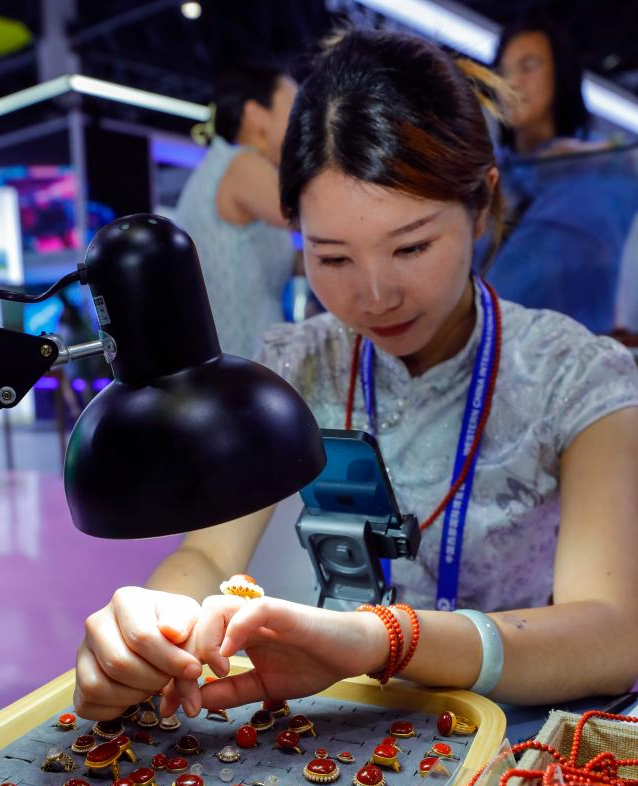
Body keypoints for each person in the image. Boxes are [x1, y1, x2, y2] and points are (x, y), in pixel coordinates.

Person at [73, 29, 638, 723]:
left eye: (412, 246)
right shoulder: (296, 363)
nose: (375, 296)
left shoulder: (575, 374)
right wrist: (152, 625)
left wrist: (386, 639)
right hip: (341, 740)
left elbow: (613, 632)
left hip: (512, 744)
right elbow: (209, 557)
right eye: (333, 257)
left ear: (482, 204)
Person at [481, 14, 638, 333]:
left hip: (569, 347)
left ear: (561, 73)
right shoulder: (485, 173)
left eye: (528, 66)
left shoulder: (605, 169)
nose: (512, 82)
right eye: (503, 71)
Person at [173, 64, 298, 359]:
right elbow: (317, 216)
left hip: (231, 359)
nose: (303, 122)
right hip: (243, 360)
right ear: (256, 115)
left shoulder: (220, 164)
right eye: (294, 109)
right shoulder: (242, 164)